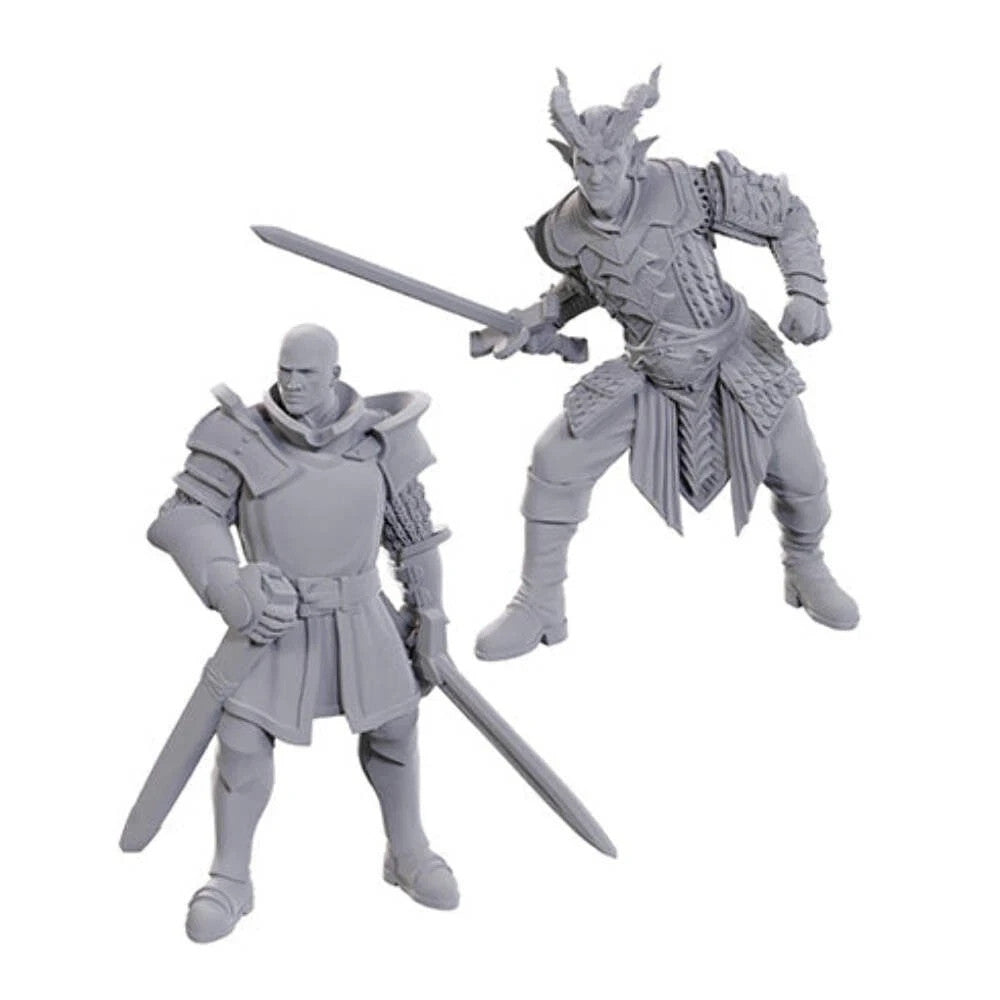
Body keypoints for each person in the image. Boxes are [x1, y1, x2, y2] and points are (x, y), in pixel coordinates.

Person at [474, 68, 859, 662]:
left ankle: (806, 564)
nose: (597, 176)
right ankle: (539, 600)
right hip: (650, 367)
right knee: (555, 458)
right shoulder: (564, 230)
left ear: (634, 157)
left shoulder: (688, 187)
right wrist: (543, 317)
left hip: (734, 353)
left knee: (801, 469)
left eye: (609, 161)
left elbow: (786, 214)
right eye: (584, 163)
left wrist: (807, 292)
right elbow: (588, 282)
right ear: (569, 162)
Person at [147, 323, 459, 942]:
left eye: (307, 373)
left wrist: (431, 618)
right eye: (285, 371)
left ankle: (408, 851)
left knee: (395, 729)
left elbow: (415, 538)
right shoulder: (239, 437)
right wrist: (226, 582)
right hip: (275, 620)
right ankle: (229, 877)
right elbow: (185, 516)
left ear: (335, 374)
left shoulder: (379, 441)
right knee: (241, 741)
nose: (291, 384)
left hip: (361, 613)